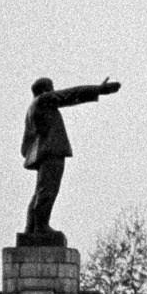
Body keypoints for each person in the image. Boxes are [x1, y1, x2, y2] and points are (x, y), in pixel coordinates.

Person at [23, 75, 121, 239]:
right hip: (51, 151)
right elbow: (70, 94)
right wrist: (99, 90)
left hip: (43, 153)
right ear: (46, 90)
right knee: (48, 190)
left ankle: (32, 227)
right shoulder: (43, 100)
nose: (54, 91)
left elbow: (26, 143)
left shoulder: (32, 108)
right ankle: (40, 227)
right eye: (52, 88)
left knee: (41, 191)